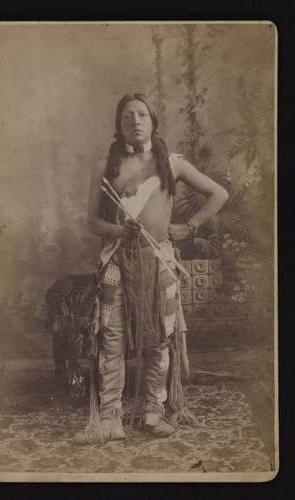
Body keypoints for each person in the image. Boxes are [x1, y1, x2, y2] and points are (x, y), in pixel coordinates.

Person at [75, 93, 229, 444]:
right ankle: (111, 417)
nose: (135, 120)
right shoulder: (104, 166)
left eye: (142, 114)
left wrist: (189, 227)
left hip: (159, 259)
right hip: (116, 260)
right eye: (127, 115)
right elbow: (92, 223)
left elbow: (219, 193)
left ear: (153, 122)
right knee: (111, 338)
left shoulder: (171, 163)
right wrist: (119, 230)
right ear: (119, 125)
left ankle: (152, 412)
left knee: (160, 337)